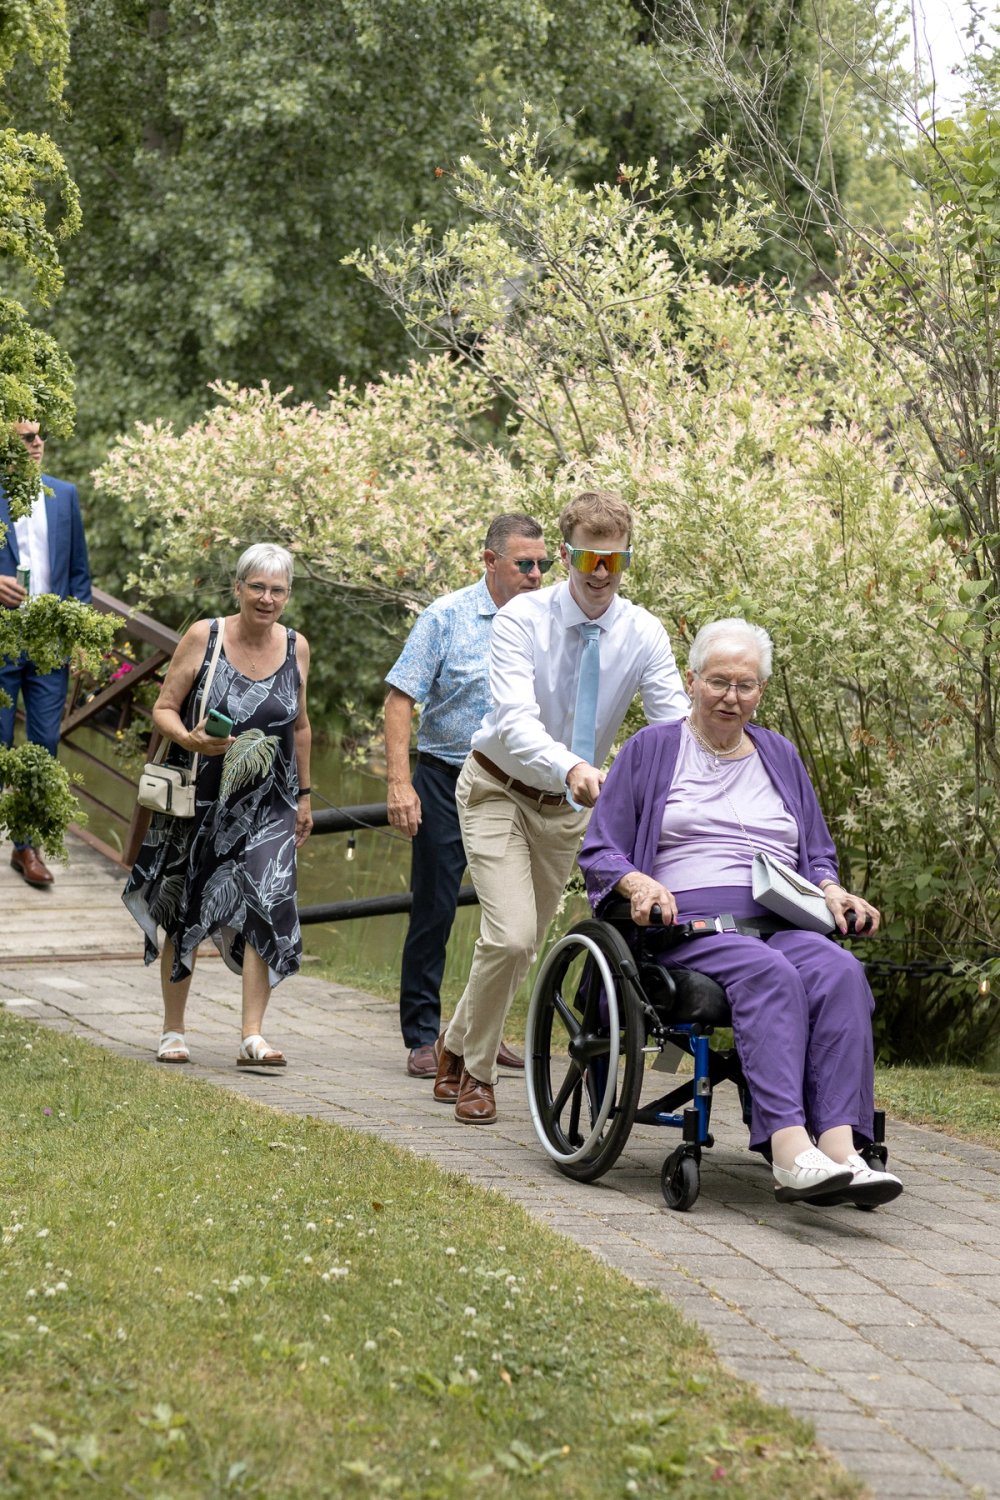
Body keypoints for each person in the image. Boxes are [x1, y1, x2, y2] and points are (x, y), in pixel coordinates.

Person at [578, 617, 903, 1208]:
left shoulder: (778, 752)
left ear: (762, 691)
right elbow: (600, 848)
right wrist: (639, 881)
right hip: (690, 922)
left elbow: (816, 852)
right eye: (719, 681)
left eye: (746, 685)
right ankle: (787, 1149)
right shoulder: (653, 749)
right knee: (767, 973)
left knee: (840, 973)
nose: (732, 696)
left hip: (782, 917)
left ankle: (839, 1148)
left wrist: (832, 891)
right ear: (692, 680)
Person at [435, 489, 689, 1124]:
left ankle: (453, 1041)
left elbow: (674, 730)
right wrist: (572, 765)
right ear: (566, 557)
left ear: (626, 560)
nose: (600, 575)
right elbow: (515, 720)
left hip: (570, 812)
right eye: (588, 560)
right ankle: (477, 1073)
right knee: (514, 934)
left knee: (520, 945)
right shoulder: (522, 620)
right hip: (498, 787)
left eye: (614, 561)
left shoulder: (644, 631)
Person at [122, 543, 312, 1068]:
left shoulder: (297, 647)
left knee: (268, 903)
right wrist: (190, 740)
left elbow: (299, 726)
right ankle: (173, 1030)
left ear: (287, 595)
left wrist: (305, 797)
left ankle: (253, 1034)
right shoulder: (204, 636)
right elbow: (163, 708)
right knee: (187, 905)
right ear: (238, 589)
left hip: (270, 802)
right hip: (202, 796)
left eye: (277, 590)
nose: (267, 599)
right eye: (258, 587)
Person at [385, 513, 551, 1078]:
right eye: (523, 564)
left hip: (523, 785)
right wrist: (399, 782)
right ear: (490, 561)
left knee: (510, 921)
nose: (535, 575)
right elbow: (400, 699)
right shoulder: (446, 617)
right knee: (434, 906)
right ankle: (423, 1036)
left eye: (542, 564)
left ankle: (479, 1031)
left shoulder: (551, 621)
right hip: (446, 773)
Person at [0, 419, 92, 887]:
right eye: (25, 438)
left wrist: (74, 635)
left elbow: (79, 576)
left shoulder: (65, 495)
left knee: (43, 749)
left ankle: (25, 847)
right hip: (1, 643)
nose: (37, 444)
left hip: (48, 647)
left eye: (40, 437)